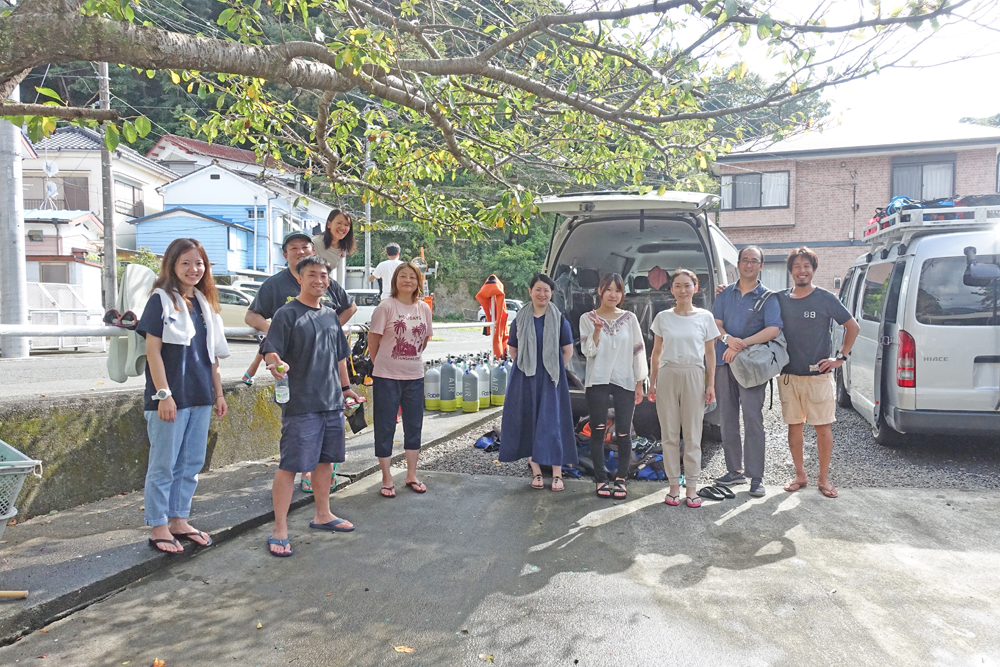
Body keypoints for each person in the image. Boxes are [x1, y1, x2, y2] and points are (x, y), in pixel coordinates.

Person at [242, 232, 357, 492]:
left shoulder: (324, 282)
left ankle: (322, 506)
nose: (301, 251)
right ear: (286, 255)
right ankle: (282, 523)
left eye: (305, 246)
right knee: (295, 455)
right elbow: (252, 317)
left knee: (327, 456)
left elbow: (350, 308)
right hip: (299, 390)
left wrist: (328, 328)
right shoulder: (276, 289)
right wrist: (275, 329)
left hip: (329, 392)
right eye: (294, 248)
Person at [262, 255, 361, 557]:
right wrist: (275, 365)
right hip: (301, 403)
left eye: (324, 276)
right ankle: (279, 529)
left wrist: (347, 389)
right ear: (300, 278)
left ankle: (323, 514)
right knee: (290, 466)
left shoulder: (331, 315)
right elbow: (271, 352)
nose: (319, 280)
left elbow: (341, 357)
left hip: (331, 401)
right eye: (312, 275)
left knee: (326, 461)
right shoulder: (286, 314)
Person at [136, 238, 230, 554]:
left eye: (199, 263)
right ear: (173, 265)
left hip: (201, 396)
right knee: (163, 464)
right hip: (170, 398)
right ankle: (158, 526)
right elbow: (153, 351)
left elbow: (212, 358)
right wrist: (164, 395)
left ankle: (179, 520)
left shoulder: (204, 305)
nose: (194, 269)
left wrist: (218, 393)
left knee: (190, 464)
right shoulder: (161, 300)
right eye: (186, 263)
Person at [777, 248, 860, 499]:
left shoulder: (825, 298)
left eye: (807, 266)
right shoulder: (780, 298)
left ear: (813, 269)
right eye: (797, 266)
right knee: (794, 428)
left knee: (823, 429)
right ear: (790, 271)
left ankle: (823, 478)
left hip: (818, 376)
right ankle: (800, 475)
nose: (802, 270)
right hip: (788, 375)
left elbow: (852, 326)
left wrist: (840, 358)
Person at [712, 246, 783, 498]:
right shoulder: (724, 294)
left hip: (751, 366)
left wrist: (740, 344)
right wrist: (728, 338)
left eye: (754, 261)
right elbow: (716, 323)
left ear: (761, 266)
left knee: (753, 418)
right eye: (745, 260)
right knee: (727, 417)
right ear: (738, 264)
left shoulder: (768, 297)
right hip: (723, 362)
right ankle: (734, 470)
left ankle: (756, 476)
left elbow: (773, 329)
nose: (749, 265)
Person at [498, 274, 578, 491]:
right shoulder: (520, 319)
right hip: (525, 377)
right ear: (530, 291)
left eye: (547, 290)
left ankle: (557, 474)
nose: (542, 294)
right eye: (538, 289)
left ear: (552, 294)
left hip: (552, 378)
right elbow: (512, 348)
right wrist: (528, 367)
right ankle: (535, 472)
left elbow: (567, 351)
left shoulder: (559, 319)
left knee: (553, 423)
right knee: (529, 422)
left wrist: (552, 369)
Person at [648, 269, 719, 508]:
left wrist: (711, 384)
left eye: (687, 285)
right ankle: (673, 487)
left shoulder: (705, 317)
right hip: (668, 374)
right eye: (677, 285)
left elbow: (710, 354)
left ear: (695, 288)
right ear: (671, 289)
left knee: (692, 435)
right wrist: (652, 381)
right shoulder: (663, 317)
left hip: (694, 374)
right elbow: (656, 353)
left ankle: (692, 487)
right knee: (669, 434)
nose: (682, 290)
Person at [579, 273, 648, 500]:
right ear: (600, 291)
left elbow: (638, 351)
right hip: (596, 380)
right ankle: (600, 477)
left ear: (622, 294)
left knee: (623, 432)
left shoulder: (629, 318)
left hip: (625, 380)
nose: (613, 294)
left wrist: (640, 381)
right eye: (608, 289)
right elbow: (587, 352)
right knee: (597, 430)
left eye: (617, 290)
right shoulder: (587, 318)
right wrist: (597, 330)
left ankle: (621, 478)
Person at [368, 262, 434, 498]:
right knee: (385, 427)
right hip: (386, 376)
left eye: (412, 277)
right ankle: (386, 478)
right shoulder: (385, 307)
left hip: (414, 376)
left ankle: (411, 474)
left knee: (414, 426)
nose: (408, 280)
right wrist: (381, 365)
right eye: (403, 276)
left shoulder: (423, 309)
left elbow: (424, 341)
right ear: (395, 280)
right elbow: (373, 343)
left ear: (418, 282)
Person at [312, 208, 356, 277]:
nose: (342, 228)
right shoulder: (314, 243)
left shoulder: (342, 248)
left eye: (346, 225)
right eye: (339, 223)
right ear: (329, 224)